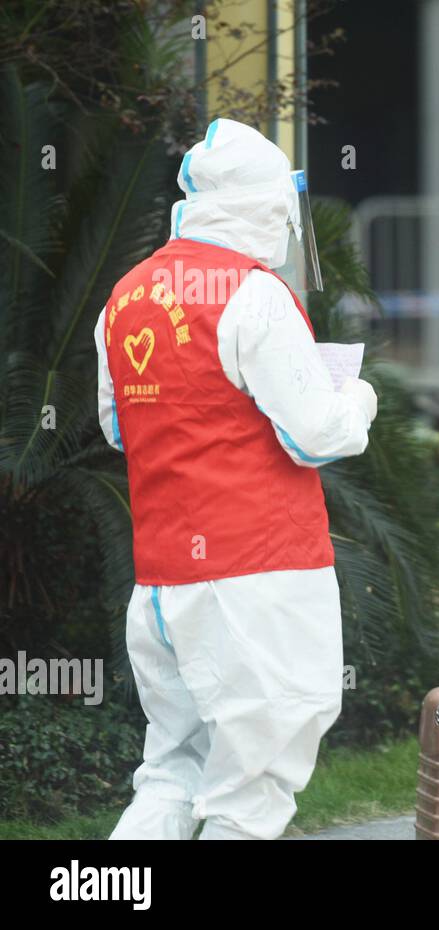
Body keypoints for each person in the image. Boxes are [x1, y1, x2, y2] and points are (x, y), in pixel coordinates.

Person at [96, 118, 378, 840]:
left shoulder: (126, 296)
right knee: (249, 797)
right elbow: (318, 432)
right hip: (258, 577)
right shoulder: (250, 295)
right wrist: (358, 398)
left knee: (173, 769)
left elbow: (119, 427)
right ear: (267, 205)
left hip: (163, 581)